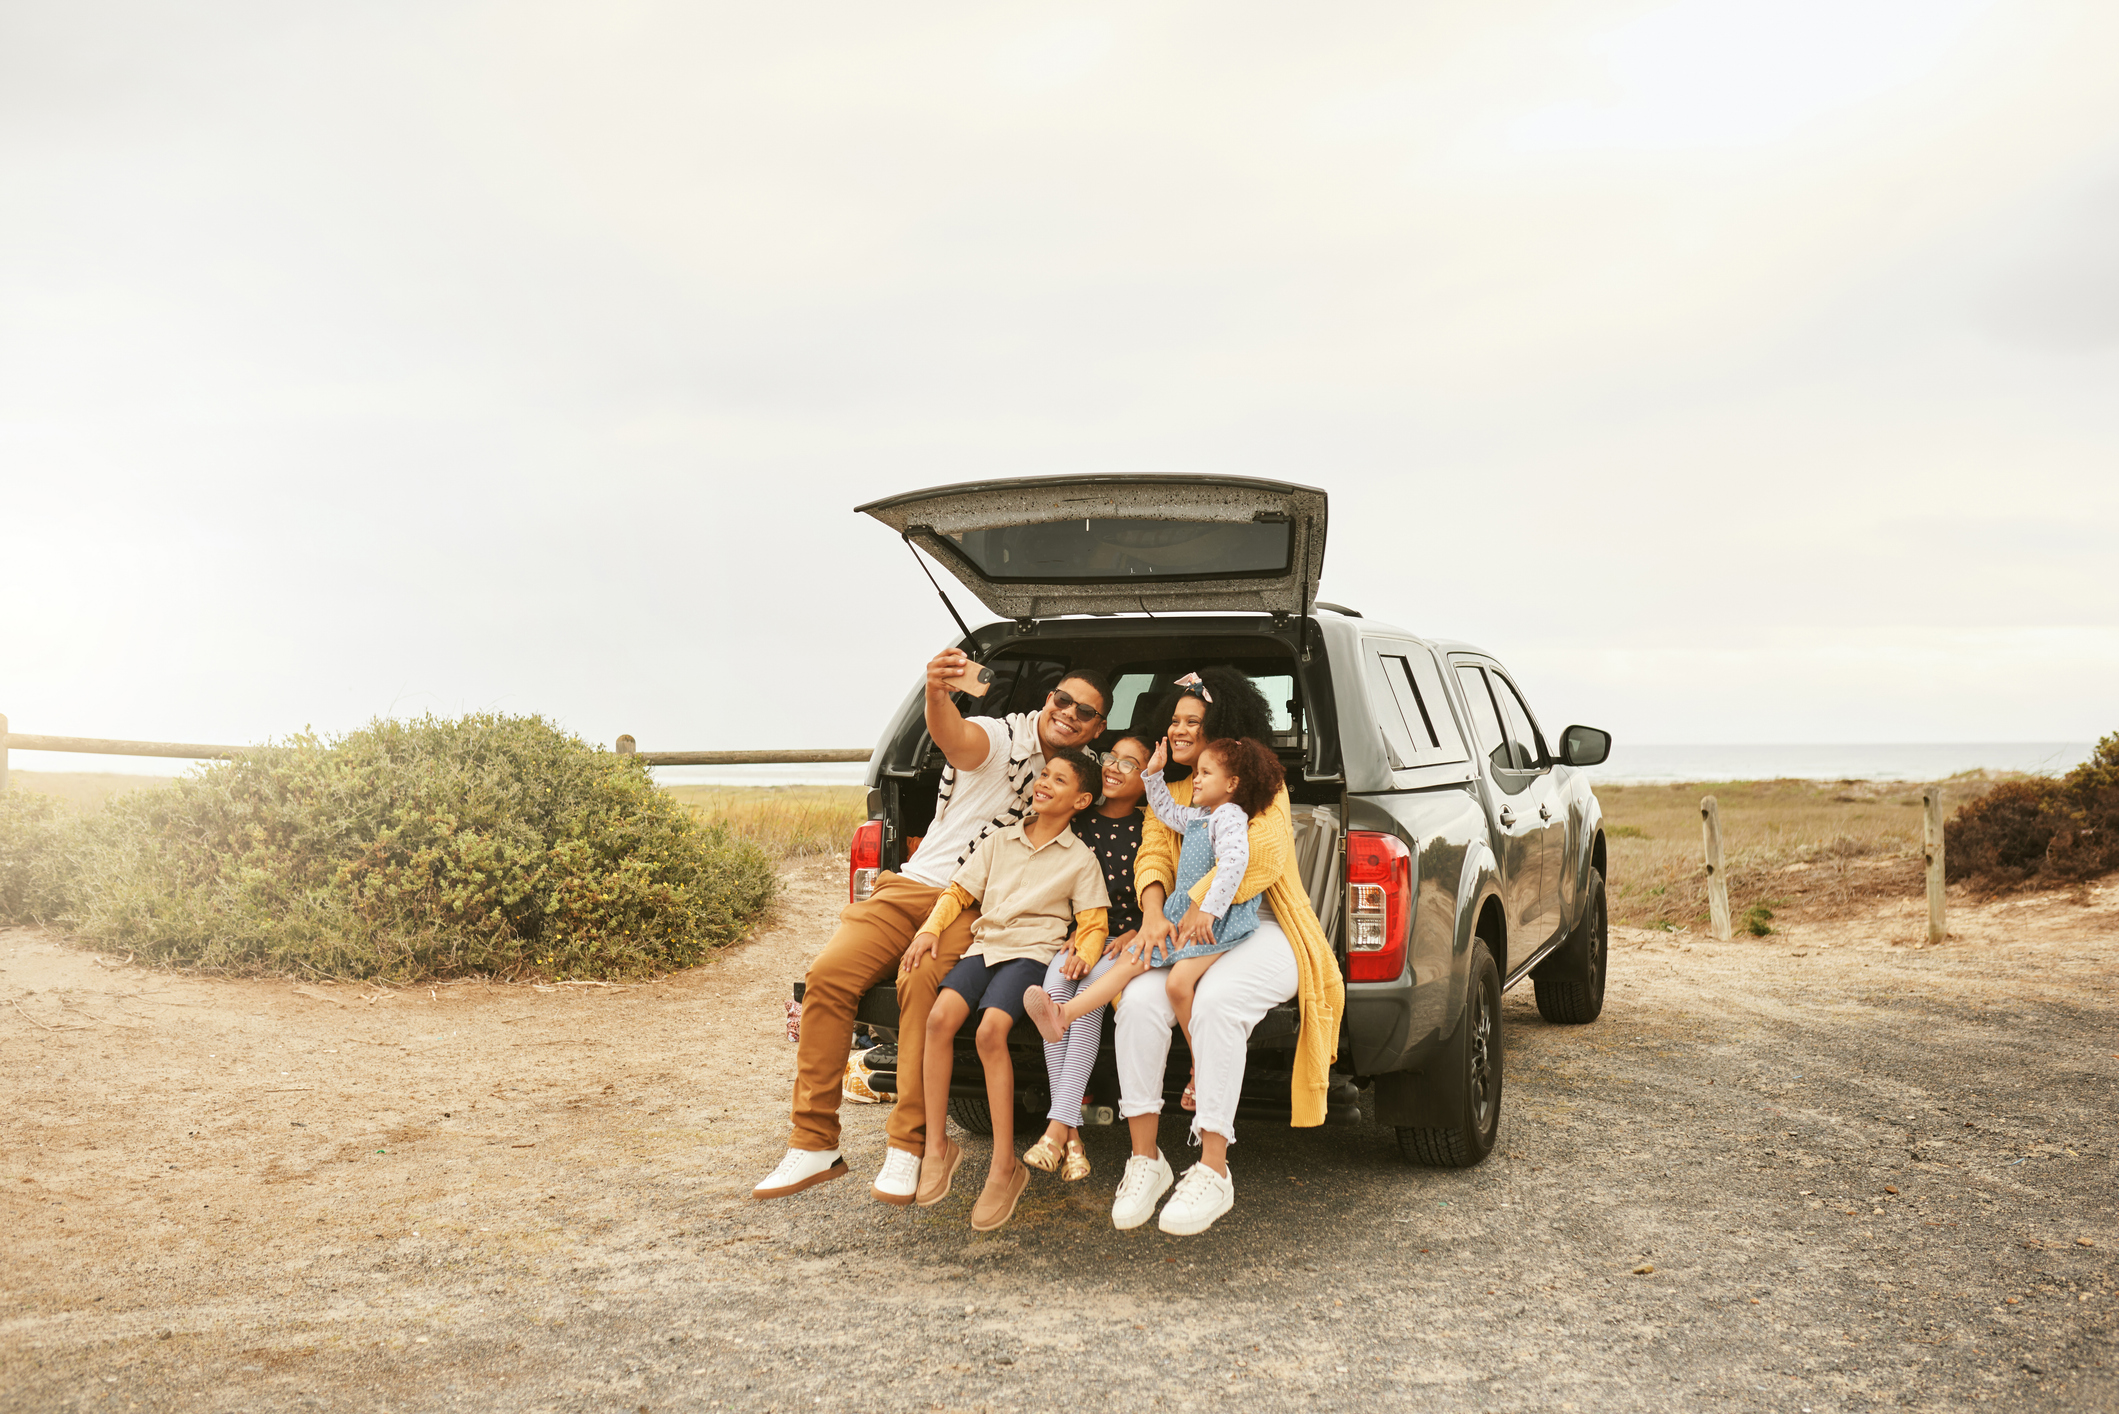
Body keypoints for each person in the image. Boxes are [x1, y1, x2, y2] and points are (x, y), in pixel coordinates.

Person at [750, 651, 1110, 1204]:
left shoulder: (1083, 776)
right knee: (827, 976)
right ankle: (813, 1141)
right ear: (1047, 699)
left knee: (921, 987)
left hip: (976, 906)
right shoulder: (1002, 738)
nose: (1070, 714)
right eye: (1063, 700)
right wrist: (937, 695)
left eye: (1085, 712)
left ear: (1097, 726)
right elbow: (954, 739)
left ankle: (910, 1144)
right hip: (913, 886)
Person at [1103, 668, 1344, 1237]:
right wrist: (1155, 912)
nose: (1180, 729)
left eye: (1193, 721)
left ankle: (1213, 1168)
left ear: (1222, 728)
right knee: (1137, 1002)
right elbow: (1153, 854)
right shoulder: (1175, 792)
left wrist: (1196, 906)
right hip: (1186, 922)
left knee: (1216, 1002)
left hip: (1264, 924)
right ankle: (1146, 1159)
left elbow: (1261, 856)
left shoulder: (1259, 784)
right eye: (1175, 720)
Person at [904, 746, 1109, 1229]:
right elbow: (958, 892)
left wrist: (1085, 955)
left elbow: (1094, 920)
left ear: (1080, 802)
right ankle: (937, 1145)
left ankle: (1004, 1165)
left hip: (1031, 954)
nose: (1044, 783)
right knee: (939, 1019)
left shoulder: (1080, 858)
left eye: (1059, 781)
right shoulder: (1000, 840)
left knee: (989, 1032)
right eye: (1044, 775)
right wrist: (929, 929)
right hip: (984, 945)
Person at [1025, 728, 1285, 1108]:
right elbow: (1164, 811)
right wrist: (1154, 774)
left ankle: (1201, 1067)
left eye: (1205, 774)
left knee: (1178, 985)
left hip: (1216, 921)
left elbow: (1235, 863)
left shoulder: (1229, 816)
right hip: (1186, 916)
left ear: (1232, 784)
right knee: (1132, 962)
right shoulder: (1202, 814)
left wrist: (1206, 910)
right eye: (1196, 772)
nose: (1196, 778)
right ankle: (1064, 1014)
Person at [1020, 732, 1152, 1183]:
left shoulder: (1152, 826)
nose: (1115, 767)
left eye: (1130, 764)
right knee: (1056, 992)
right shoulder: (1080, 820)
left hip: (1125, 941)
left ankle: (1057, 1132)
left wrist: (1137, 928)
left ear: (1149, 778)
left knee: (1088, 1002)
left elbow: (1165, 886)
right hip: (1080, 933)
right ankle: (1071, 1136)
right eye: (1112, 758)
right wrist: (1075, 928)